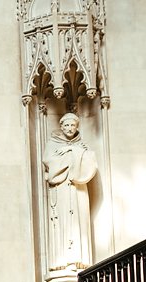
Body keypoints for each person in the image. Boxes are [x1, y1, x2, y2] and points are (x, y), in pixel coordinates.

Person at [43, 112, 98, 272]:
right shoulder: (53, 143)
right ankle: (63, 259)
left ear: (77, 127)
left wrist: (72, 150)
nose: (69, 128)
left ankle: (80, 259)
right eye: (66, 125)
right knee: (63, 221)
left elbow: (90, 161)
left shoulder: (81, 145)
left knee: (79, 220)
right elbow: (48, 161)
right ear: (61, 127)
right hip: (61, 190)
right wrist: (72, 154)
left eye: (73, 125)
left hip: (78, 189)